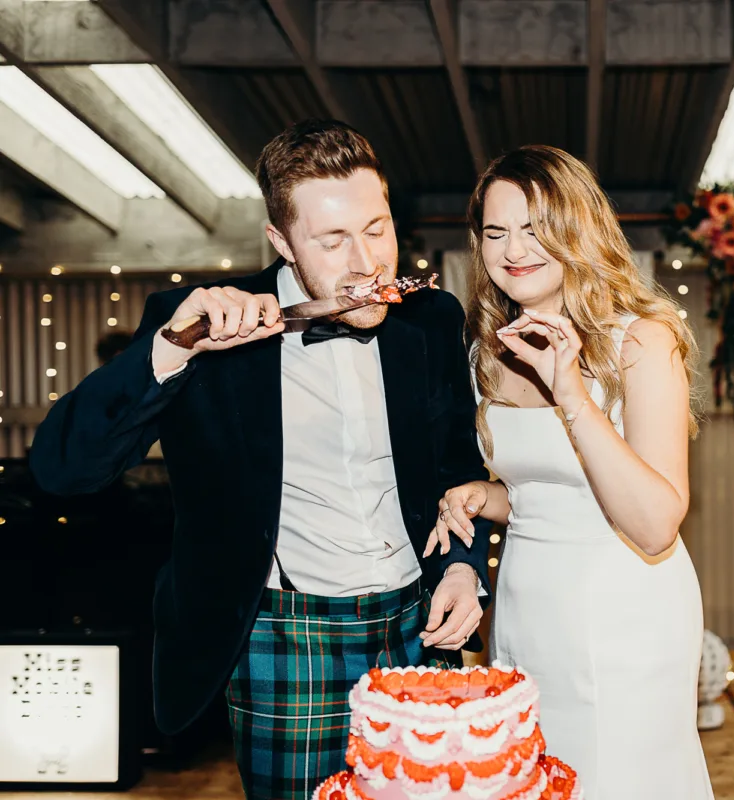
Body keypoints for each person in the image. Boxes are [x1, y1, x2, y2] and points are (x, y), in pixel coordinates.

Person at [29, 119, 492, 800]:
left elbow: (460, 465)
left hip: (414, 626)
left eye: (377, 229)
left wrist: (462, 565)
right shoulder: (198, 324)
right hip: (284, 638)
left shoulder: (430, 319)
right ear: (281, 240)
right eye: (333, 240)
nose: (367, 261)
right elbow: (63, 469)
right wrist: (171, 350)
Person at [427, 145, 715, 799]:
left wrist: (573, 397)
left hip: (627, 613)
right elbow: (543, 494)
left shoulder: (642, 339)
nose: (512, 249)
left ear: (577, 228)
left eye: (534, 227)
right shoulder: (484, 352)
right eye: (495, 232)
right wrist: (485, 496)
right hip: (526, 611)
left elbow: (655, 525)